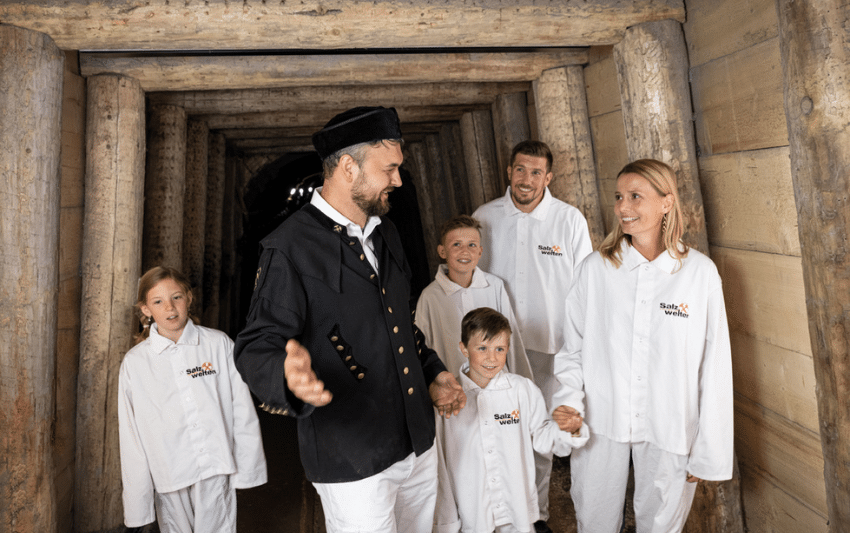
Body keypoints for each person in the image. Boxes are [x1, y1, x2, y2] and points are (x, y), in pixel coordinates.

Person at [233, 106, 466, 533]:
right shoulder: (289, 248)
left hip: (417, 441)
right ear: (347, 167)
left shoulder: (385, 230)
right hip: (352, 458)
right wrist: (286, 376)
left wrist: (432, 372)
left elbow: (399, 323)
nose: (398, 180)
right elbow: (257, 345)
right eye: (389, 169)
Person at [551, 159, 733, 532]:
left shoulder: (698, 274)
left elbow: (714, 365)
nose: (623, 207)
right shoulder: (596, 270)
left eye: (636, 196)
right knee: (594, 521)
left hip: (670, 426)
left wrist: (708, 451)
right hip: (602, 420)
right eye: (619, 197)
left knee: (661, 526)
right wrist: (568, 401)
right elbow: (573, 347)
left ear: (667, 203)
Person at [472, 140, 592, 533]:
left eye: (536, 172)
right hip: (497, 350)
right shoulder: (485, 218)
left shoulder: (569, 220)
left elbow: (584, 287)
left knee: (539, 432)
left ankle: (536, 516)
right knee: (495, 428)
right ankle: (491, 517)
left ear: (549, 177)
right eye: (520, 170)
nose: (527, 180)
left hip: (550, 349)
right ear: (509, 171)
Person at [117, 266, 267, 532]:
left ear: (188, 298)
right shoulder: (135, 364)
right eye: (158, 302)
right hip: (168, 474)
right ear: (146, 310)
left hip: (214, 467)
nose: (170, 308)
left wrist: (247, 468)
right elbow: (131, 436)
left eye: (176, 297)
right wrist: (138, 503)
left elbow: (241, 409)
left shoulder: (218, 345)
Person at [435, 307, 587, 533]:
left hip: (516, 512)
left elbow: (543, 439)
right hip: (473, 515)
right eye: (482, 348)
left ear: (508, 348)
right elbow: (441, 463)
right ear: (464, 348)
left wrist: (569, 429)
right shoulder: (449, 400)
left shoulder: (522, 390)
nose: (491, 358)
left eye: (499, 349)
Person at [415, 214, 533, 380]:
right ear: (442, 251)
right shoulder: (429, 297)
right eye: (456, 244)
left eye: (472, 245)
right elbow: (422, 350)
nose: (465, 251)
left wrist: (525, 384)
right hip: (456, 389)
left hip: (497, 385)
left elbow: (512, 342)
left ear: (480, 251)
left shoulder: (495, 287)